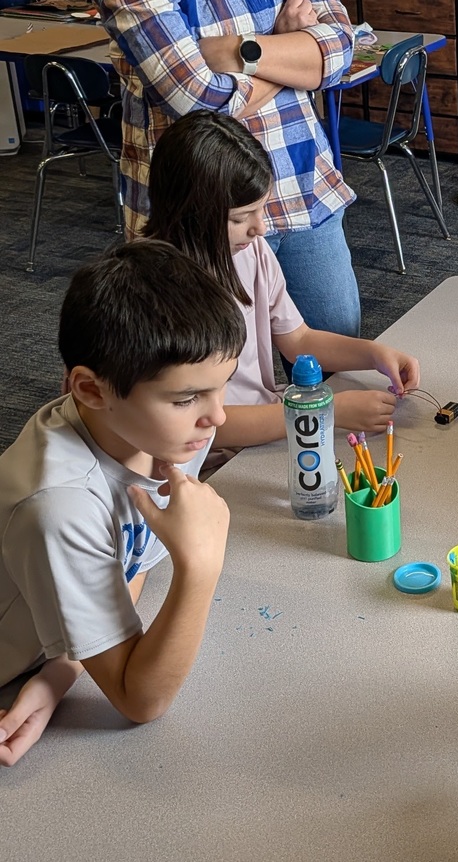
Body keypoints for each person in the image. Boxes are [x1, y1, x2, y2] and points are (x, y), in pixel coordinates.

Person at [0, 241, 244, 767]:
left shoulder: (154, 432)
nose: (217, 418)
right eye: (187, 398)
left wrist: (67, 666)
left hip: (40, 652)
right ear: (90, 389)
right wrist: (199, 567)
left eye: (222, 387)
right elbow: (141, 702)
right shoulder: (60, 509)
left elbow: (127, 567)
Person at [141, 110, 420, 455]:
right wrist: (322, 411)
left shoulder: (252, 251)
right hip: (204, 456)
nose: (260, 228)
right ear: (189, 210)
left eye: (262, 209)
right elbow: (197, 426)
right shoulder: (155, 287)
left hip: (269, 429)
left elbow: (298, 339)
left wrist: (375, 354)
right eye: (240, 218)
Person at [100, 0, 361, 340]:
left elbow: (339, 50)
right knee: (211, 368)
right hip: (201, 216)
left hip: (304, 190)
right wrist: (291, 57)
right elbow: (197, 101)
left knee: (336, 363)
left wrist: (238, 51)